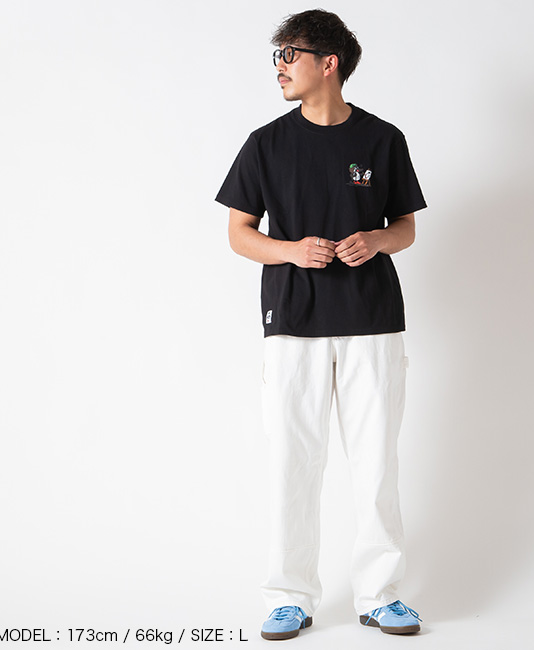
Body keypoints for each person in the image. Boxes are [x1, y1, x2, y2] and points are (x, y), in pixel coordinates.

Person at [215, 9, 427, 640]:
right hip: (293, 322)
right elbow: (239, 234)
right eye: (277, 56)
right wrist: (291, 250)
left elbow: (406, 227)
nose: (279, 67)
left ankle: (380, 595)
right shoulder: (266, 144)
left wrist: (376, 239)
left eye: (290, 54)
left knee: (376, 464)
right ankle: (290, 596)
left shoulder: (382, 139)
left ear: (327, 63)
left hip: (372, 322)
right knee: (293, 463)